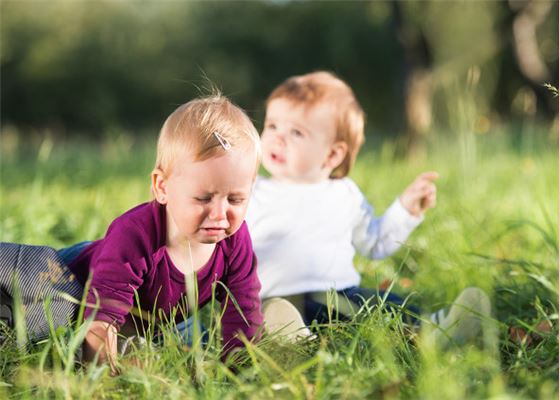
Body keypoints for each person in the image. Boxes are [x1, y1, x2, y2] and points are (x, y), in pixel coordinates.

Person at [0, 95, 264, 370]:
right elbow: (102, 316)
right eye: (203, 199)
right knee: (43, 299)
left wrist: (242, 371)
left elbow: (242, 311)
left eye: (235, 200)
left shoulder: (235, 241)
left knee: (179, 345)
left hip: (143, 322)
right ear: (162, 187)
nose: (220, 214)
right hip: (71, 281)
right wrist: (100, 381)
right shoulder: (136, 234)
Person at [246, 71, 491, 345]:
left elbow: (374, 242)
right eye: (272, 126)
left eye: (296, 132)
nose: (277, 138)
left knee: (385, 304)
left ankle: (437, 329)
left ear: (332, 154)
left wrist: (405, 210)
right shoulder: (249, 191)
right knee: (271, 313)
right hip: (277, 297)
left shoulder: (345, 193)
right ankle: (294, 340)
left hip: (340, 295)